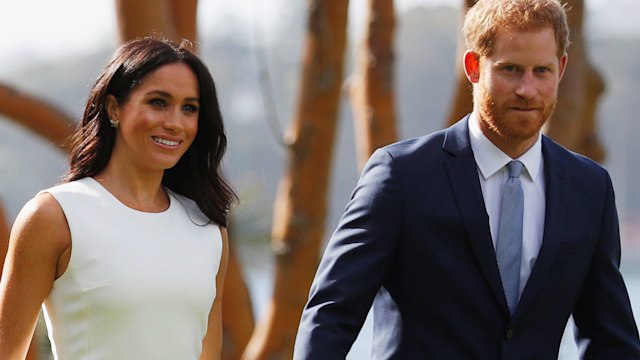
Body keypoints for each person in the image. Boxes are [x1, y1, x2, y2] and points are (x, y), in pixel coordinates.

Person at [293, 0, 640, 358]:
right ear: (474, 66)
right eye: (510, 69)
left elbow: (611, 340)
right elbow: (331, 315)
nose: (527, 89)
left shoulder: (590, 189)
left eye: (542, 71)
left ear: (561, 69)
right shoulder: (401, 176)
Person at [0, 37, 235, 359]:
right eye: (158, 102)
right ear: (114, 107)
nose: (174, 123)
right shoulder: (55, 216)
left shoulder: (208, 229)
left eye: (189, 108)